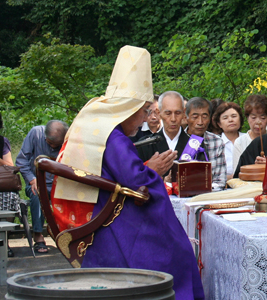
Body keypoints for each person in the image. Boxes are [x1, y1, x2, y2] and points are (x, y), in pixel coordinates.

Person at [51, 45, 204, 299]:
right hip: (107, 218)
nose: (146, 119)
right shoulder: (114, 136)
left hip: (85, 212)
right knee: (178, 249)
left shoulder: (92, 119)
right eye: (145, 111)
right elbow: (137, 183)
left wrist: (146, 170)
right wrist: (153, 170)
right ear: (129, 107)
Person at [16, 120, 69, 254]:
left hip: (60, 184)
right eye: (50, 144)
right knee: (37, 193)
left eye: (56, 145)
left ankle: (68, 236)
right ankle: (38, 236)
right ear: (45, 136)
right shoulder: (35, 133)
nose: (52, 148)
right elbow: (21, 160)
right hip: (36, 183)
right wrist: (31, 179)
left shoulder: (68, 140)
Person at [137, 91, 189, 177]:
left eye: (178, 113)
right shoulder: (145, 145)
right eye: (168, 113)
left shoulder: (195, 144)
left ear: (184, 113)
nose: (173, 119)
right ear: (159, 113)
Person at [184, 97, 226, 188]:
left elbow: (220, 181)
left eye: (204, 117)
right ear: (186, 118)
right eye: (195, 117)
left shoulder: (217, 142)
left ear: (210, 118)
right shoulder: (178, 140)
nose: (200, 122)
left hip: (210, 195)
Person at [233, 95, 267, 172]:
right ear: (247, 118)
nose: (258, 122)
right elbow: (237, 172)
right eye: (253, 118)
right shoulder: (240, 142)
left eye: (263, 118)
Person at [211, 102, 245, 180]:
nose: (230, 120)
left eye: (234, 116)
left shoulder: (248, 139)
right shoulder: (214, 143)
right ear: (219, 124)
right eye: (225, 118)